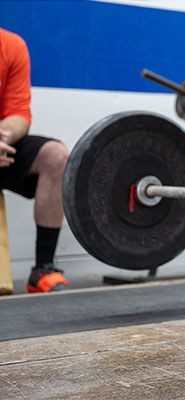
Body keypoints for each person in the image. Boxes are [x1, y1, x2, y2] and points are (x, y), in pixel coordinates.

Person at [0, 28, 70, 293]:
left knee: (56, 156)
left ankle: (43, 269)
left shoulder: (11, 45)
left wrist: (3, 136)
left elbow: (19, 115)